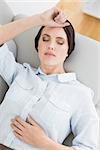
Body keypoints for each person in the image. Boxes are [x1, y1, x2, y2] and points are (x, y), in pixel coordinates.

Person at [0, 6, 99, 150]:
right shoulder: (20, 73)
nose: (51, 46)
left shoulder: (80, 95)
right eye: (45, 39)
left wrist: (44, 143)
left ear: (68, 51)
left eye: (60, 42)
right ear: (37, 46)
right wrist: (39, 19)